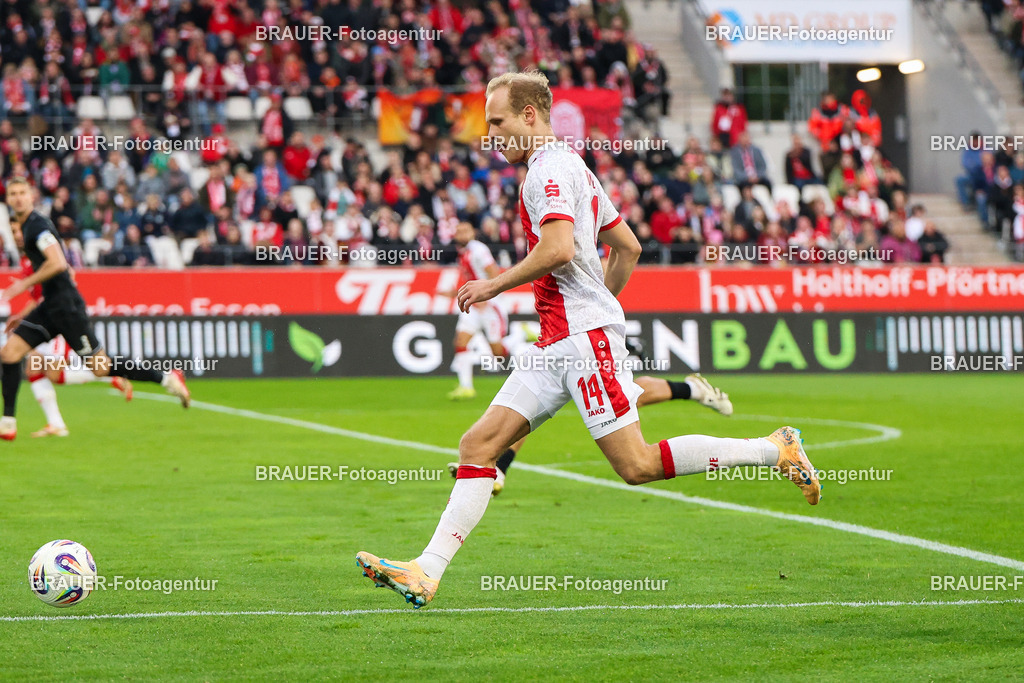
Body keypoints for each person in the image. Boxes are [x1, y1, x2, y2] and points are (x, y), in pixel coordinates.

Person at [356, 71, 821, 609]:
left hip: (578, 340)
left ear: (531, 115)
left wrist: (494, 286)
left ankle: (772, 449)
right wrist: (601, 304)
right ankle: (427, 571)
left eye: (499, 122)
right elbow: (628, 247)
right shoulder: (571, 165)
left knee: (637, 466)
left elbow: (556, 249)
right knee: (478, 446)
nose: (493, 134)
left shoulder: (546, 171)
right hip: (560, 342)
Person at [0, 178, 191, 440]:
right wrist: (23, 313)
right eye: (13, 194)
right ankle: (8, 422)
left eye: (23, 193)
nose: (18, 197)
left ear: (31, 197)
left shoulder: (36, 226)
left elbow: (57, 263)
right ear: (8, 199)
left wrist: (22, 284)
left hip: (67, 308)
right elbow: (63, 268)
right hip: (50, 306)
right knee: (10, 353)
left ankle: (167, 378)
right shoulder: (29, 227)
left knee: (100, 367)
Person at [444, 221, 509, 401]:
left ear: (473, 233)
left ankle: (521, 338)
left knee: (497, 351)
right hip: (475, 305)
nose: (461, 234)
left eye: (465, 230)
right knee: (460, 341)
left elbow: (495, 274)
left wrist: (486, 296)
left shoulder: (478, 250)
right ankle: (466, 387)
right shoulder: (463, 253)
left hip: (490, 306)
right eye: (458, 231)